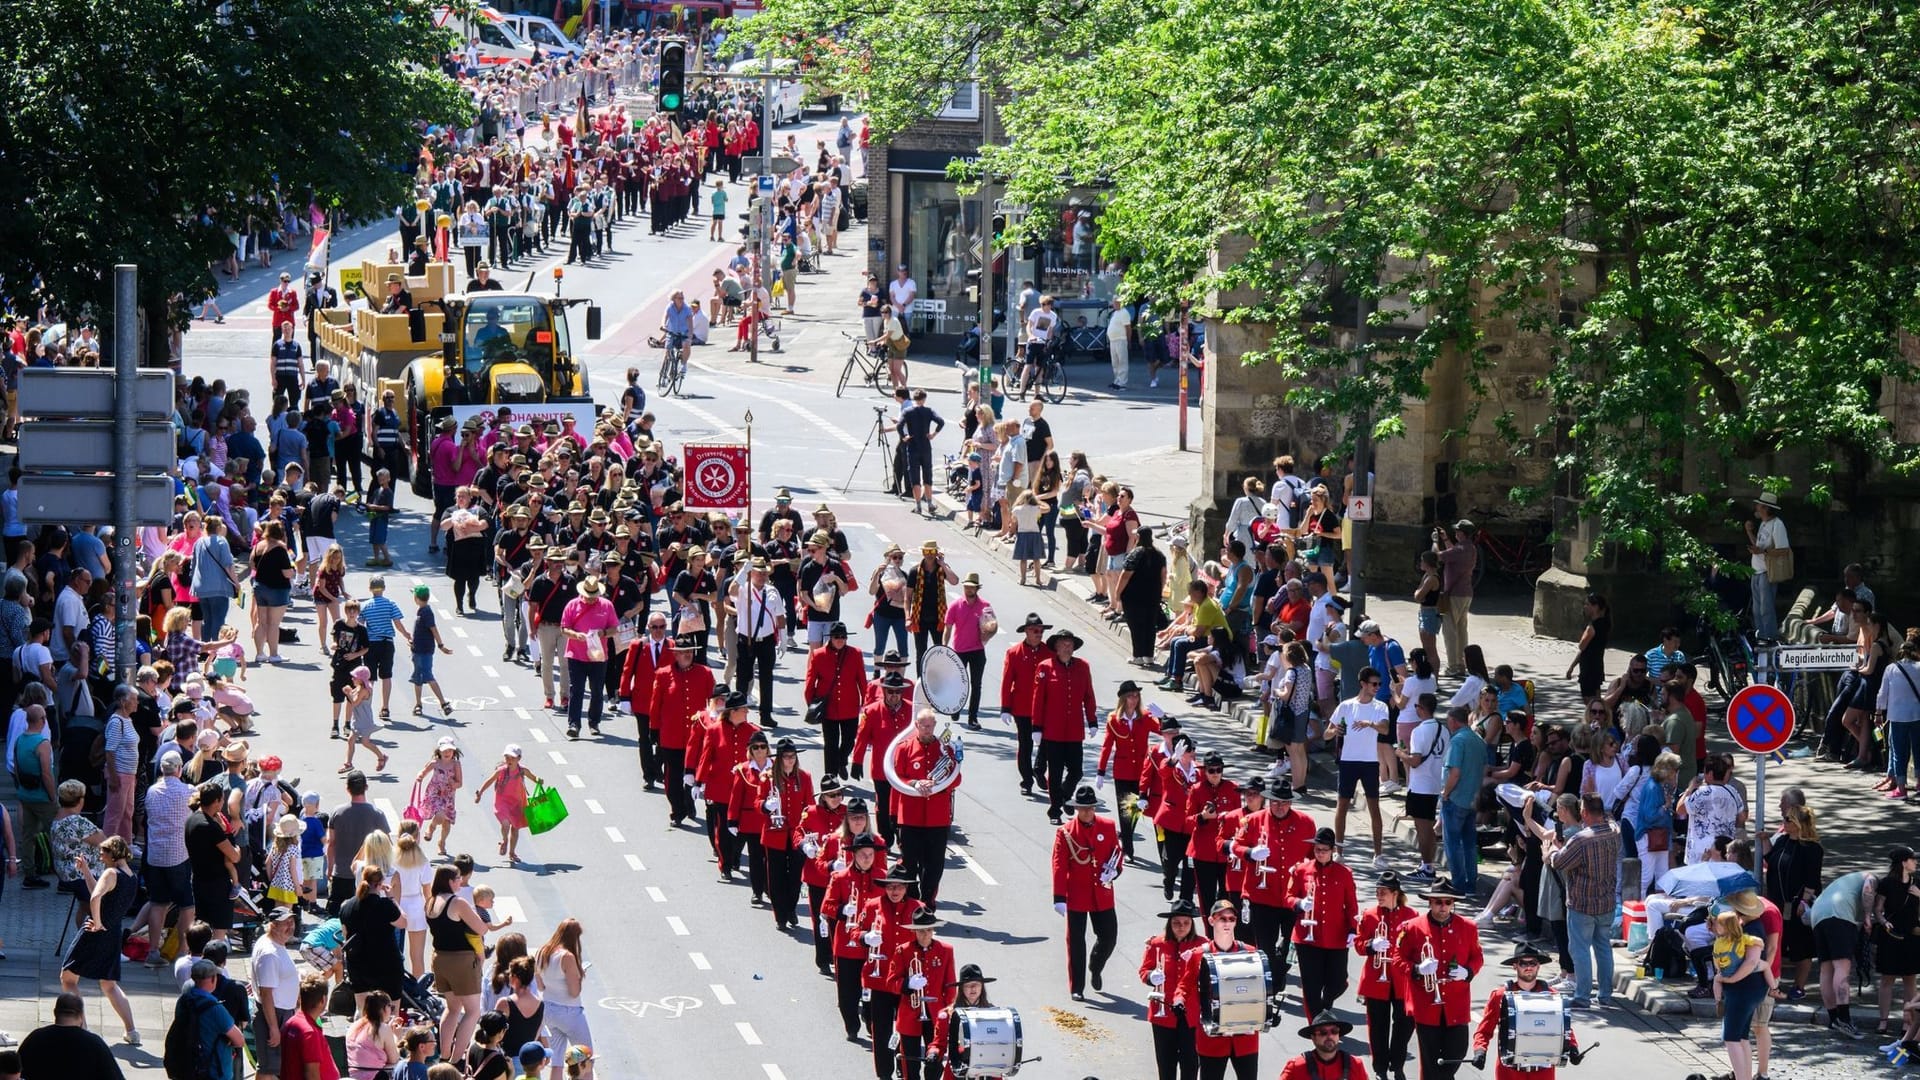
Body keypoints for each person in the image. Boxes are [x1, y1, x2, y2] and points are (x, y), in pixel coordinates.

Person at [1392, 882, 1484, 1080]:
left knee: (1457, 1052)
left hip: (1456, 1003)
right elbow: (1398, 958)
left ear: (1453, 904)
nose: (1443, 906)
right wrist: (1417, 969)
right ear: (1430, 903)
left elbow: (1477, 957)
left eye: (1447, 902)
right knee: (1430, 1059)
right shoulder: (1412, 927)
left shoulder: (1468, 927)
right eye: (1438, 902)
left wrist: (1467, 972)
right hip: (1425, 1003)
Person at [58, 836, 140, 1046]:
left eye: (103, 852)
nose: (100, 856)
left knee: (68, 977)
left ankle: (81, 1027)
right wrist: (85, 870)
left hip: (95, 931)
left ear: (113, 854)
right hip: (113, 932)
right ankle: (132, 1031)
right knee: (109, 984)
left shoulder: (111, 873)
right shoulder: (130, 876)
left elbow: (94, 898)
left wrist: (96, 922)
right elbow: (99, 891)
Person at [1172, 900, 1264, 1080]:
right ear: (1212, 921)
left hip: (1245, 1037)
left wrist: (1266, 1013)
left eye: (1231, 919)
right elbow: (1185, 985)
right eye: (1222, 919)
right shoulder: (1199, 953)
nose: (1227, 923)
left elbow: (1260, 989)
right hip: (1211, 1037)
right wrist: (1179, 1000)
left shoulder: (1250, 952)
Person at [1052, 784, 1122, 1001]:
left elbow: (1117, 853)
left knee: (1109, 937)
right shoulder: (1065, 832)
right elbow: (1058, 865)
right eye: (1083, 808)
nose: (1087, 812)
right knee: (1075, 942)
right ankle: (1077, 986)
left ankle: (1096, 965)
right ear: (1076, 809)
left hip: (1102, 892)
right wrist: (1059, 897)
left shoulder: (1108, 826)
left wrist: (1115, 871)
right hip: (1077, 894)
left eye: (1090, 808)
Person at [1546, 794, 1618, 1007]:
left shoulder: (1581, 839)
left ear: (1584, 813)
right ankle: (1605, 995)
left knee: (1580, 950)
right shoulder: (1615, 831)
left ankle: (1582, 996)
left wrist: (1552, 849)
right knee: (1603, 948)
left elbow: (1559, 862)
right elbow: (1612, 819)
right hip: (1606, 902)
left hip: (1582, 903)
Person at [888, 709, 961, 909]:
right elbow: (897, 778)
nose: (928, 730)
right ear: (917, 726)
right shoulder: (904, 748)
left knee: (934, 865)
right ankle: (911, 901)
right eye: (924, 726)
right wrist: (914, 784)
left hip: (937, 818)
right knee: (909, 863)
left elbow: (957, 778)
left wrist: (939, 784)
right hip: (910, 816)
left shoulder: (945, 749)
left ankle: (928, 900)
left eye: (931, 725)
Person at [1285, 826, 1359, 1018]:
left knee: (1338, 982)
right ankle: (1316, 1024)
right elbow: (1288, 897)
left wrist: (1353, 929)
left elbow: (1351, 905)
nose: (1320, 854)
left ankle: (1325, 1005)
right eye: (1317, 849)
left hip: (1336, 936)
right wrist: (1300, 903)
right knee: (1311, 984)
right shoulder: (1302, 870)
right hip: (1307, 938)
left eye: (1324, 850)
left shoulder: (1344, 873)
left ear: (1333, 851)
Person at [1034, 627, 1099, 824]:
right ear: (1056, 646)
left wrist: (1092, 720)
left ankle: (1063, 797)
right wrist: (1036, 727)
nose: (1067, 647)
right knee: (1054, 774)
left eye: (1070, 643)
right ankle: (1055, 811)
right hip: (1052, 731)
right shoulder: (1045, 667)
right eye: (1063, 643)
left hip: (1073, 730)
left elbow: (1088, 695)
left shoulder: (1082, 666)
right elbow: (1038, 700)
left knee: (1076, 770)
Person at [1330, 666, 1391, 869]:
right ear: (1363, 684)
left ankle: (1378, 854)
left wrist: (1369, 724)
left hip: (1370, 762)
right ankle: (1339, 850)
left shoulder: (1380, 707)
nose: (1377, 687)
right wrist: (1335, 731)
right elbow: (1327, 733)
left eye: (1379, 684)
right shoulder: (1346, 706)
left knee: (1374, 807)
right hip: (1348, 761)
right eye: (1374, 684)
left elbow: (1385, 728)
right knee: (1343, 805)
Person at [884, 909, 956, 1080]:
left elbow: (950, 985)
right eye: (922, 930)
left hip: (935, 1014)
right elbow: (891, 983)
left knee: (935, 1061)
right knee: (910, 1063)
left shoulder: (945, 950)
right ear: (914, 931)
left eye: (929, 930)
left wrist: (948, 1009)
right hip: (910, 1013)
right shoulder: (903, 951)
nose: (925, 934)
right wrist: (907, 984)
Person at [1141, 899, 1206, 1080]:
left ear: (1192, 925)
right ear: (1170, 924)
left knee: (1190, 1064)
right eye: (1176, 923)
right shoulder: (1157, 943)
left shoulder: (1203, 945)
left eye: (1186, 923)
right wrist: (1151, 976)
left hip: (1191, 1013)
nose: (1181, 927)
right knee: (1165, 1065)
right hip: (1163, 1013)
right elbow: (1144, 971)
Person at [18, 992, 124, 1080]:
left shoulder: (35, 1038)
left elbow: (12, 1071)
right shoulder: (95, 1043)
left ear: (55, 1013)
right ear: (81, 1015)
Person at [167, 959, 244, 1080]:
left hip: (187, 1068)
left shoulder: (184, 1001)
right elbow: (239, 1040)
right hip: (213, 1072)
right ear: (213, 979)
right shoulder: (215, 1009)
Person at [1745, 492, 1789, 640]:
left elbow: (1784, 550)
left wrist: (1762, 551)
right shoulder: (1764, 523)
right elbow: (1758, 546)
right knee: (1757, 610)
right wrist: (1749, 532)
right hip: (1756, 571)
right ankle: (1761, 637)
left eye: (1759, 505)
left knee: (1766, 609)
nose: (1756, 507)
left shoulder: (1777, 524)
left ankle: (1769, 638)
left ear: (1765, 508)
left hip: (1767, 572)